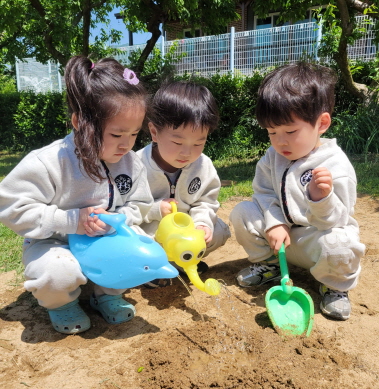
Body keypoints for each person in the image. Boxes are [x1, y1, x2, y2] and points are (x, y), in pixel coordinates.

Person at [0, 56, 153, 334]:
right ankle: (61, 304)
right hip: (53, 244)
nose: (126, 145)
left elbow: (140, 204)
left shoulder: (131, 162)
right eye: (117, 134)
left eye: (133, 134)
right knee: (58, 273)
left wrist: (116, 220)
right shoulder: (50, 162)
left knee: (142, 243)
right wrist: (72, 221)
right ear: (80, 122)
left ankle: (107, 295)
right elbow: (12, 205)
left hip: (105, 240)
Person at [230, 62, 365, 321]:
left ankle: (335, 286)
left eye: (291, 131)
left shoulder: (335, 164)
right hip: (280, 242)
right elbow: (264, 194)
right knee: (243, 212)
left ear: (321, 123)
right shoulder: (272, 157)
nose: (280, 141)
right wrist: (274, 223)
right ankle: (269, 266)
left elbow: (335, 221)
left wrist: (320, 198)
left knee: (343, 242)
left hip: (315, 243)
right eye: (272, 132)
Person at [136, 80, 231, 288]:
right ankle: (152, 270)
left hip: (184, 233)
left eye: (199, 143)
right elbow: (127, 207)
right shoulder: (136, 166)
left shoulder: (203, 165)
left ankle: (180, 264)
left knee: (220, 231)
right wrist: (154, 209)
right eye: (178, 142)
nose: (187, 152)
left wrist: (202, 223)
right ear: (154, 133)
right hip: (152, 234)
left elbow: (206, 201)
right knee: (135, 241)